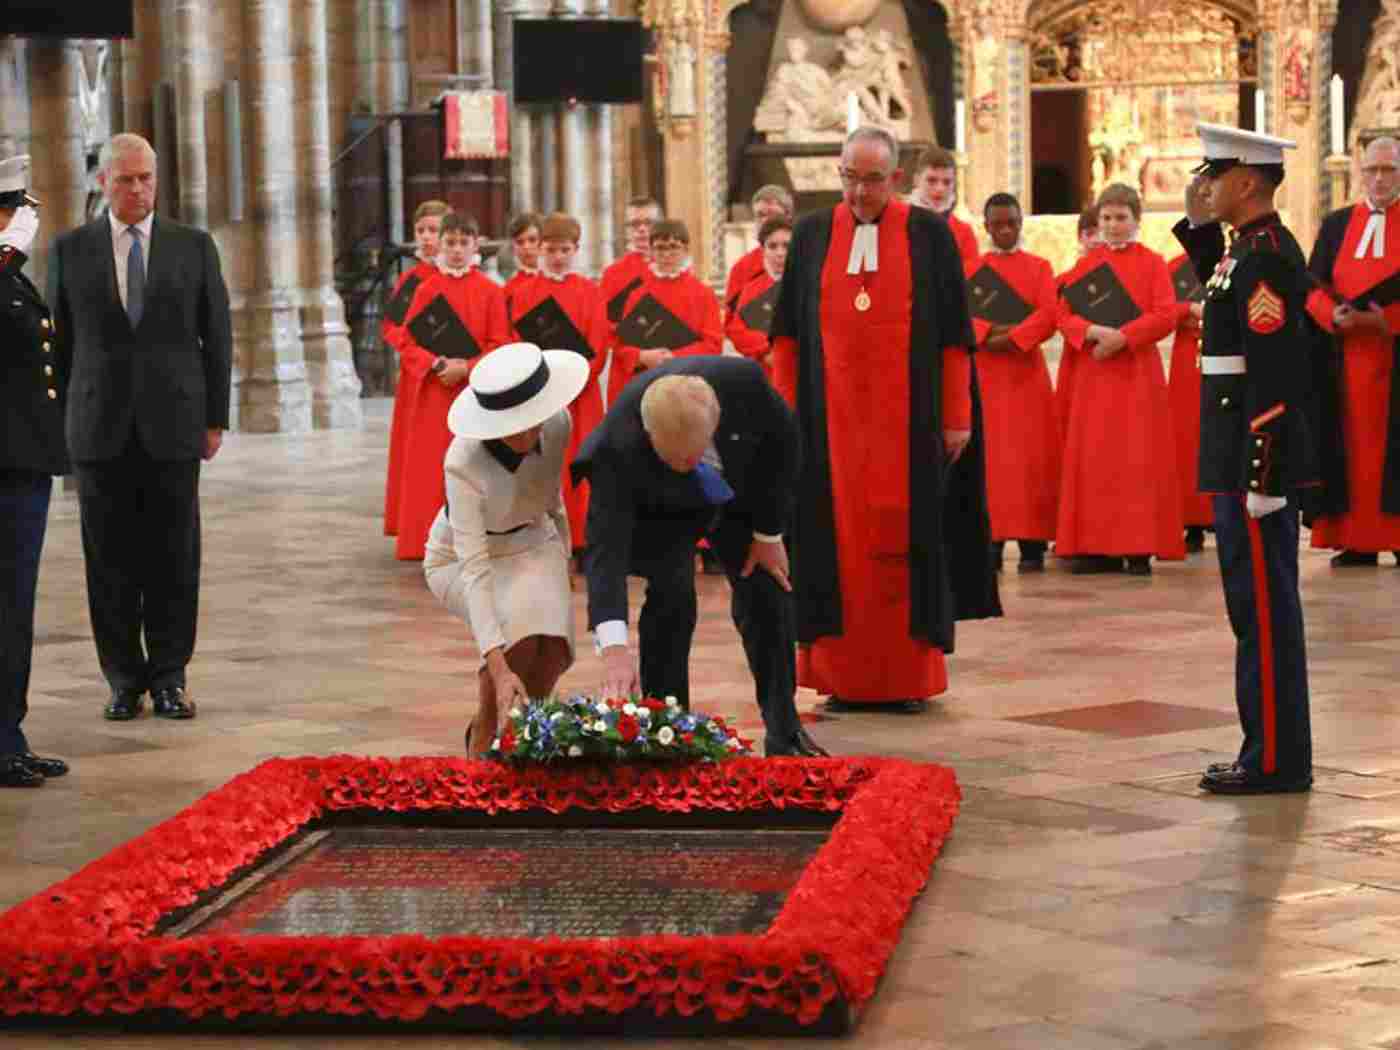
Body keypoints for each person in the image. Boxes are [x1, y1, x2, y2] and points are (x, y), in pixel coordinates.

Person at [770, 126, 1000, 708]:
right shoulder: (812, 234)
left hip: (911, 425)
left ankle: (906, 678)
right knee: (832, 544)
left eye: (872, 179)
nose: (858, 191)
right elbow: (788, 337)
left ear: (895, 178)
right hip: (829, 430)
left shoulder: (930, 235)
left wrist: (957, 417)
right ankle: (839, 676)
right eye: (849, 177)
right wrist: (784, 414)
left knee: (907, 545)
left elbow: (953, 338)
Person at [47, 133, 232, 722]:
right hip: (99, 427)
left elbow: (217, 338)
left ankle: (171, 675)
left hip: (174, 425)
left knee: (175, 556)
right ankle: (124, 678)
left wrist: (215, 418)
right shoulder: (70, 250)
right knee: (109, 561)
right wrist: (62, 427)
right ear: (104, 182)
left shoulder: (193, 246)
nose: (139, 190)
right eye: (126, 179)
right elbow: (63, 346)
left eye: (147, 178)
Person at [571, 358, 826, 757]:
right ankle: (667, 735)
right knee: (673, 597)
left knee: (768, 591)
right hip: (663, 510)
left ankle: (784, 730)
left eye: (693, 456)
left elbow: (787, 443)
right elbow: (606, 554)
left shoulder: (747, 387)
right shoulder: (615, 451)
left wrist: (768, 533)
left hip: (737, 491)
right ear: (650, 435)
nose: (687, 464)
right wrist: (615, 651)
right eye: (678, 459)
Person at [1173, 124, 1316, 794]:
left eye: (1216, 174)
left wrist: (1266, 472)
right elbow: (1220, 293)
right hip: (1233, 452)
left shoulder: (1267, 256)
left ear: (1249, 181)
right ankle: (1262, 747)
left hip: (1251, 461)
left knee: (1264, 609)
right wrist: (1196, 222)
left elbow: (1275, 369)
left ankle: (1275, 760)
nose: (1208, 183)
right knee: (1249, 609)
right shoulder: (1244, 251)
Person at [424, 343, 589, 755]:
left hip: (535, 540)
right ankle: (484, 737)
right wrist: (497, 668)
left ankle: (527, 747)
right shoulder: (461, 462)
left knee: (552, 649)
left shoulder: (558, 422)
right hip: (463, 558)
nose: (531, 434)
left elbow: (552, 497)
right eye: (518, 425)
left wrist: (564, 558)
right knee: (516, 643)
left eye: (535, 421)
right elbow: (474, 568)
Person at [1054, 182, 1184, 575]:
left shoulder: (1153, 263)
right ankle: (1094, 545)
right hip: (1093, 374)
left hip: (1135, 375)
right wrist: (1093, 332)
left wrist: (1124, 338)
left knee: (1134, 459)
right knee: (1094, 460)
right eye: (1106, 218)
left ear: (1136, 220)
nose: (1113, 226)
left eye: (1121, 218)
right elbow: (1062, 314)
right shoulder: (1084, 267)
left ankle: (1137, 545)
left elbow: (1165, 313)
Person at [0, 156, 69, 786]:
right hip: (5, 468)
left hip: (23, 465)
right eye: (17, 211)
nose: (26, 223)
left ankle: (9, 734)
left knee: (16, 607)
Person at [1305, 136, 1400, 567]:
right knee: (1351, 449)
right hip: (1344, 362)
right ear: (1361, 173)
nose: (1380, 178)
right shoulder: (1337, 225)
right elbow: (1311, 287)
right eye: (1373, 170)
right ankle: (1355, 539)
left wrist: (1386, 323)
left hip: (1392, 357)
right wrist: (1332, 316)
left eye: (1389, 170)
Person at [394, 211, 511, 560]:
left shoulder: (491, 292)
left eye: (464, 243)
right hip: (436, 391)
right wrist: (437, 363)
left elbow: (500, 342)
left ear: (476, 245)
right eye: (451, 243)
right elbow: (409, 342)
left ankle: (479, 540)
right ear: (440, 246)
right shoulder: (426, 289)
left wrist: (468, 368)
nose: (457, 250)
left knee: (477, 469)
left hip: (475, 393)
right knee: (434, 468)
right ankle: (432, 544)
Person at [509, 211, 610, 556]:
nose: (557, 256)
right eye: (550, 249)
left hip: (581, 396)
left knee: (581, 464)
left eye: (565, 249)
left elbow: (599, 344)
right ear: (541, 250)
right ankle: (540, 536)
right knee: (541, 464)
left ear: (576, 250)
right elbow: (517, 342)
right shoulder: (524, 292)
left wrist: (576, 380)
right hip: (541, 394)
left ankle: (583, 540)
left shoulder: (590, 292)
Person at [971, 193, 1061, 573]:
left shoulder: (1040, 267)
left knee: (1031, 461)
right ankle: (991, 540)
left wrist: (1006, 338)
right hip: (988, 377)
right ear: (987, 226)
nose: (1005, 230)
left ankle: (1032, 541)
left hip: (1026, 376)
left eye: (1011, 223)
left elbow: (1049, 313)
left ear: (1021, 223)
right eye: (998, 224)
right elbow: (962, 314)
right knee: (993, 462)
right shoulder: (972, 270)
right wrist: (991, 335)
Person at [383, 199, 448, 539]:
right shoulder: (410, 280)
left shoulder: (454, 276)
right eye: (421, 231)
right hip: (419, 376)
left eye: (433, 230)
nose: (426, 238)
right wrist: (426, 360)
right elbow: (392, 329)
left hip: (455, 376)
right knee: (420, 457)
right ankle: (418, 527)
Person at [608, 218, 723, 404]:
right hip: (646, 382)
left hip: (688, 382)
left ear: (686, 250)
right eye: (660, 248)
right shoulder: (636, 294)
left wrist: (674, 358)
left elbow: (713, 344)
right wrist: (642, 356)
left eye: (674, 247)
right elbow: (621, 345)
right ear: (651, 251)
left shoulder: (704, 294)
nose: (667, 254)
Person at [1165, 252, 1214, 551]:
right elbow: (1160, 306)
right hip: (1187, 354)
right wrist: (1189, 309)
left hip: (1228, 350)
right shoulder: (1174, 267)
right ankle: (1192, 518)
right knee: (1186, 435)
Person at [1054, 205, 1102, 444]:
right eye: (1087, 232)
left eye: (1098, 231)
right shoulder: (1063, 280)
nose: (1094, 239)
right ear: (1079, 237)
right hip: (1078, 356)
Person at [725, 216, 791, 381]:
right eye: (772, 246)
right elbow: (737, 329)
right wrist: (766, 351)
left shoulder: (808, 284)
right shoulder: (752, 288)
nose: (780, 253)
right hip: (763, 372)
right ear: (763, 250)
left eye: (786, 246)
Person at [724, 185, 793, 320]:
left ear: (788, 216)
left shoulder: (806, 259)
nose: (766, 220)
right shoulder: (741, 268)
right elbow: (731, 321)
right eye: (760, 215)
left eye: (773, 214)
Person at [907, 145, 980, 272]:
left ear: (954, 184)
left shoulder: (964, 232)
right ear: (917, 180)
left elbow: (969, 280)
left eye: (947, 182)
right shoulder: (899, 222)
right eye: (932, 180)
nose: (940, 189)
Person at [600, 196, 660, 326]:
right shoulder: (612, 274)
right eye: (635, 224)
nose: (642, 229)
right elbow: (605, 323)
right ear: (627, 230)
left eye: (649, 223)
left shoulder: (674, 269)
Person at [502, 211, 542, 323]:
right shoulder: (508, 291)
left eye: (532, 240)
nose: (527, 247)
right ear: (513, 247)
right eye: (520, 242)